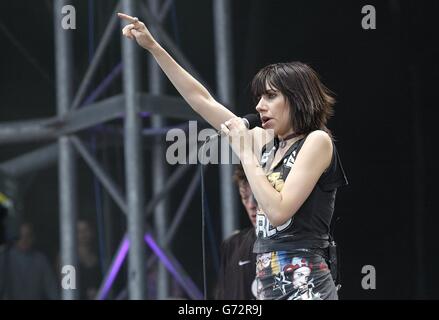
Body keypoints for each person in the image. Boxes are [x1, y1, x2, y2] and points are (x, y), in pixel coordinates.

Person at [118, 13, 348, 300]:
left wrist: (244, 152)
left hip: (307, 287)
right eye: (259, 98)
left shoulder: (317, 141)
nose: (260, 106)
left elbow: (278, 212)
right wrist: (155, 48)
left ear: (298, 99)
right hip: (268, 284)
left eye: (271, 96)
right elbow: (202, 101)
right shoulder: (266, 141)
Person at [215, 165, 257, 300]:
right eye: (245, 197)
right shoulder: (232, 245)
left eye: (257, 196)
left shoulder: (295, 239)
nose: (251, 205)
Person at [0, 222, 58, 299]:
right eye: (21, 236)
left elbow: (52, 289)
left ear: (33, 238)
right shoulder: (5, 258)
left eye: (28, 236)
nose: (24, 240)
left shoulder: (41, 260)